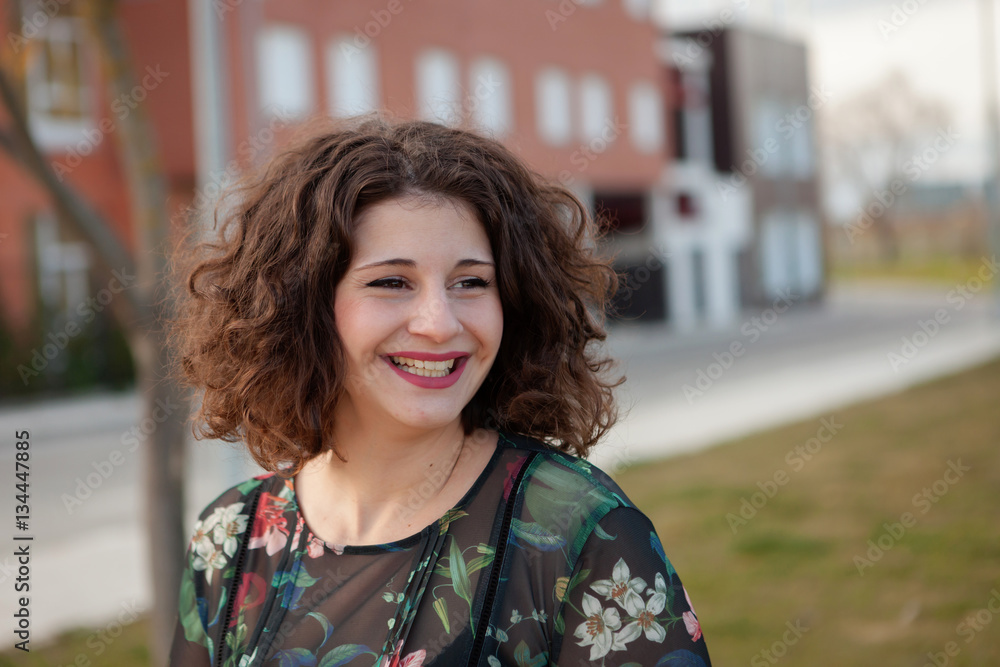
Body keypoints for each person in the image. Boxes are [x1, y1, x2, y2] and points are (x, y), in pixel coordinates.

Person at [166, 116, 711, 666]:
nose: (439, 322)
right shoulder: (231, 539)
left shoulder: (581, 537)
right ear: (299, 308)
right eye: (391, 282)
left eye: (471, 282)